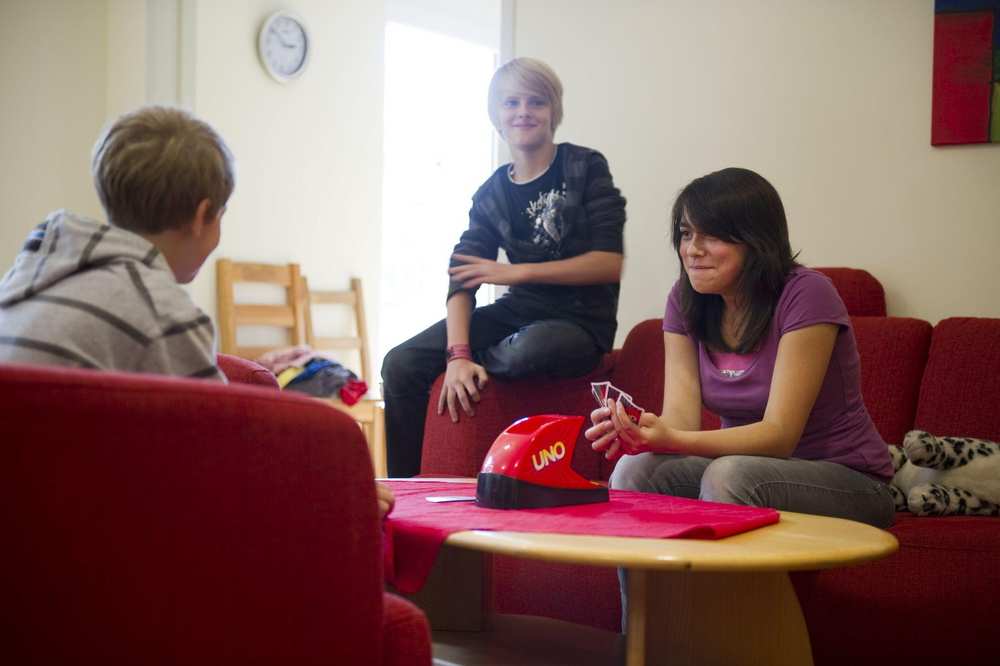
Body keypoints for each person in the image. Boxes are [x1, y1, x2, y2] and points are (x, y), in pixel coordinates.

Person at [586, 167, 895, 530]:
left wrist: (671, 438)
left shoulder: (807, 294)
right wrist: (640, 432)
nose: (693, 250)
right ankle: (648, 589)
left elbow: (780, 435)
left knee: (730, 474)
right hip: (742, 468)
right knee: (636, 469)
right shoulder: (684, 300)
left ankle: (722, 590)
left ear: (755, 241)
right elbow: (681, 421)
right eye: (686, 234)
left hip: (850, 480)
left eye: (712, 236)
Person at [381, 57, 627, 478]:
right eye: (511, 103)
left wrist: (517, 273)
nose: (524, 112)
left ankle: (484, 361)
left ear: (554, 112)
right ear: (497, 116)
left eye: (536, 102)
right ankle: (406, 493)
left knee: (530, 350)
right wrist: (457, 355)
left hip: (580, 322)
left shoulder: (584, 167)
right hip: (518, 315)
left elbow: (608, 264)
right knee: (400, 364)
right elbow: (462, 274)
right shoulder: (492, 192)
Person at [0, 105, 233, 380]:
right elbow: (215, 419)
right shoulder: (163, 312)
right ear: (201, 215)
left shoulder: (37, 267)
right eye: (221, 214)